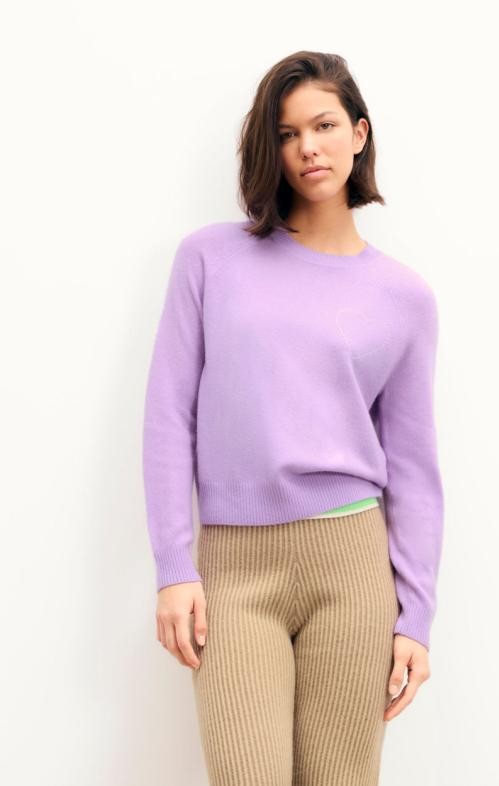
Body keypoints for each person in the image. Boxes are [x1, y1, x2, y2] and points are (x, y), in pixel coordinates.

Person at [142, 50, 445, 785]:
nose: (307, 147)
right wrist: (174, 566)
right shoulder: (210, 258)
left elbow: (413, 468)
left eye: (324, 125)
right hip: (233, 568)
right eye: (286, 133)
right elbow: (168, 415)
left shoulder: (403, 297)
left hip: (353, 568)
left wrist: (416, 617)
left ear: (359, 134)